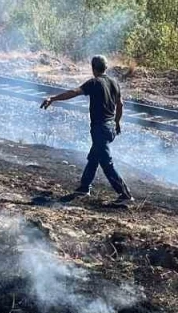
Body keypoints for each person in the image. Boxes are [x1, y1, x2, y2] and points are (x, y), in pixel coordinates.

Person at [41, 55, 133, 203]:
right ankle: (84, 187)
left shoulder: (94, 83)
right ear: (105, 67)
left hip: (100, 128)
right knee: (94, 157)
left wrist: (53, 99)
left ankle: (125, 195)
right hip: (110, 127)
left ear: (93, 68)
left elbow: (74, 92)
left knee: (106, 163)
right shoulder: (114, 82)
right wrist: (117, 123)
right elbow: (120, 104)